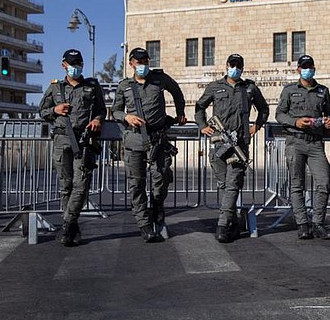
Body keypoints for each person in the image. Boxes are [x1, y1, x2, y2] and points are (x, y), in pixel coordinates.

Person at [112, 47, 187, 243]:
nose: (143, 64)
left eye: (145, 60)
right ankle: (144, 224)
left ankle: (157, 208)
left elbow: (177, 92)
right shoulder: (124, 86)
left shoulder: (159, 79)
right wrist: (126, 116)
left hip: (158, 138)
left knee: (161, 178)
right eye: (138, 61)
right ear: (131, 64)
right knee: (136, 184)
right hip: (134, 139)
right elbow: (116, 111)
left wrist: (180, 112)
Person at [195, 54, 269, 243]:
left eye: (239, 65)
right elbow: (199, 106)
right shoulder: (215, 87)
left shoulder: (249, 88)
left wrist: (257, 126)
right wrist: (202, 125)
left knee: (233, 184)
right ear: (227, 65)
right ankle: (234, 221)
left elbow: (264, 109)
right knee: (225, 185)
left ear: (243, 67)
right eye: (232, 64)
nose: (235, 68)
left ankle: (222, 226)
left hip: (240, 145)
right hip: (219, 143)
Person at [38, 49, 106, 247]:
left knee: (82, 185)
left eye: (79, 63)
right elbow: (41, 111)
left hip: (84, 141)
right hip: (62, 140)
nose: (76, 67)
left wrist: (97, 119)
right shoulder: (55, 88)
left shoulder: (92, 86)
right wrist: (55, 110)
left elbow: (102, 109)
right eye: (72, 63)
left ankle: (67, 224)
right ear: (64, 65)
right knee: (66, 186)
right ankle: (72, 226)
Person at [276, 54, 330, 240]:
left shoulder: (323, 91)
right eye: (304, 66)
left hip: (316, 143)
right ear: (298, 70)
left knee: (324, 181)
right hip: (295, 142)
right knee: (297, 185)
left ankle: (318, 223)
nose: (308, 69)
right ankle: (302, 224)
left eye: (310, 66)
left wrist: (328, 122)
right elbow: (279, 114)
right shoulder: (289, 90)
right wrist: (295, 122)